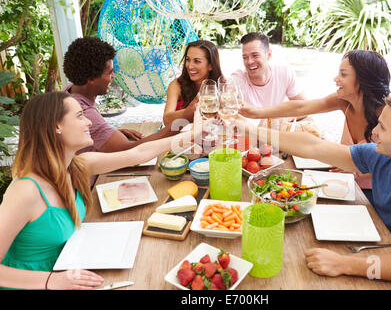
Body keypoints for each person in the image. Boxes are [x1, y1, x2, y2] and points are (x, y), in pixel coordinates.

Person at [231, 94, 391, 290]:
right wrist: (249, 128)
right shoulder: (383, 156)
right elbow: (313, 146)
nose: (373, 132)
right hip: (383, 252)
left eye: (382, 127)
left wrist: (343, 263)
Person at [0, 92, 195, 290]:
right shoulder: (25, 190)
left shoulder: (76, 166)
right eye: (79, 116)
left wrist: (191, 135)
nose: (89, 123)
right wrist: (51, 281)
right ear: (56, 126)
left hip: (73, 273)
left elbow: (138, 154)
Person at [239, 50, 391, 201]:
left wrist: (356, 167)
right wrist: (256, 112)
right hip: (340, 186)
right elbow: (300, 107)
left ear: (364, 79)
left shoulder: (387, 118)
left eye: (343, 74)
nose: (335, 78)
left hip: (373, 195)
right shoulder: (344, 101)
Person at [63, 36, 178, 155]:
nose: (113, 76)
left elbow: (93, 133)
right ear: (91, 78)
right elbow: (129, 152)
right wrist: (180, 123)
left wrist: (109, 134)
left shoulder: (68, 91)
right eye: (110, 72)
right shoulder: (85, 113)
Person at [230, 32, 306, 108]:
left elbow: (304, 106)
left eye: (255, 55)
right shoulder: (237, 80)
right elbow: (225, 108)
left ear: (268, 55)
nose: (249, 61)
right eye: (245, 57)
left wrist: (283, 118)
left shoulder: (284, 73)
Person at [163, 40, 223, 129]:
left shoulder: (221, 85)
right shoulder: (176, 85)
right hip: (180, 137)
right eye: (188, 60)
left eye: (197, 61)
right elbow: (166, 119)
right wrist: (191, 111)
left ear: (211, 65)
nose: (190, 66)